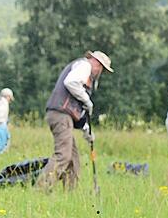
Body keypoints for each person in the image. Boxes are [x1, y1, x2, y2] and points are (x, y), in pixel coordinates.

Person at [35, 51, 113, 191]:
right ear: (96, 62)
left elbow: (77, 109)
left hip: (63, 116)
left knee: (73, 159)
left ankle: (71, 195)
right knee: (63, 156)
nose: (100, 72)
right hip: (60, 115)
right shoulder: (84, 66)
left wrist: (87, 131)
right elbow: (70, 82)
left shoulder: (85, 72)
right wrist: (87, 99)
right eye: (101, 68)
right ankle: (41, 189)